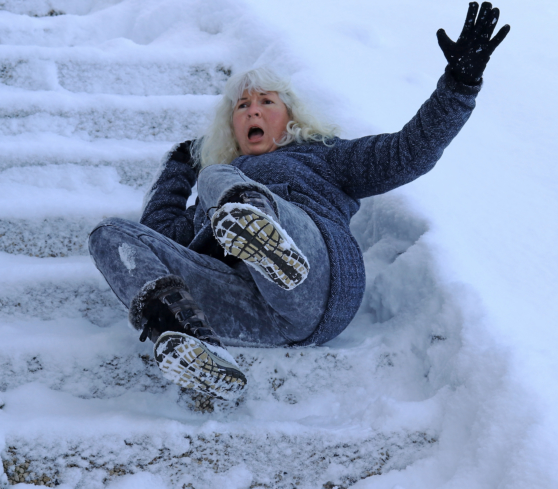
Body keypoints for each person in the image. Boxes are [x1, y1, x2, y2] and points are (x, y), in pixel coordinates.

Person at [88, 2, 510, 400]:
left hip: (317, 283)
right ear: (231, 126)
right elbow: (157, 237)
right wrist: (181, 165)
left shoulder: (324, 155)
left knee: (220, 176)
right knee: (109, 234)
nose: (252, 111)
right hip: (250, 310)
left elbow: (408, 153)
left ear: (289, 117)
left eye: (265, 102)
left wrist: (459, 85)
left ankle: (265, 236)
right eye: (242, 106)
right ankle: (191, 341)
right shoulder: (208, 198)